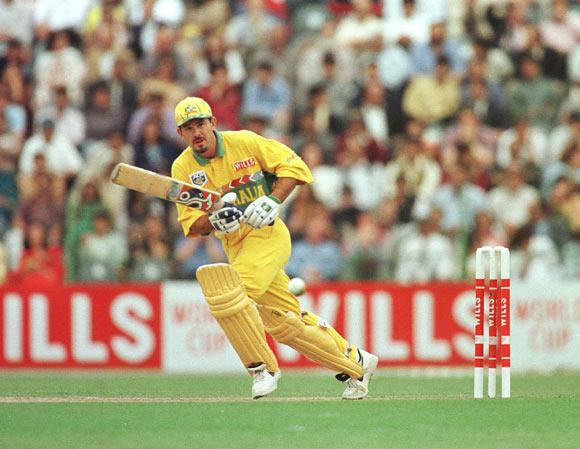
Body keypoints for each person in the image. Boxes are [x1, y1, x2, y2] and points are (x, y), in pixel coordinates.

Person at [171, 96, 378, 400]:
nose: (196, 132)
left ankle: (261, 369)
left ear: (213, 123)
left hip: (267, 236)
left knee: (230, 293)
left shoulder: (245, 142)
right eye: (188, 128)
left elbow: (295, 166)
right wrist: (214, 220)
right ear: (181, 134)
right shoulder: (183, 168)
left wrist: (272, 200)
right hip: (236, 247)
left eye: (200, 124)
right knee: (282, 323)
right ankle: (356, 363)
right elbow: (192, 225)